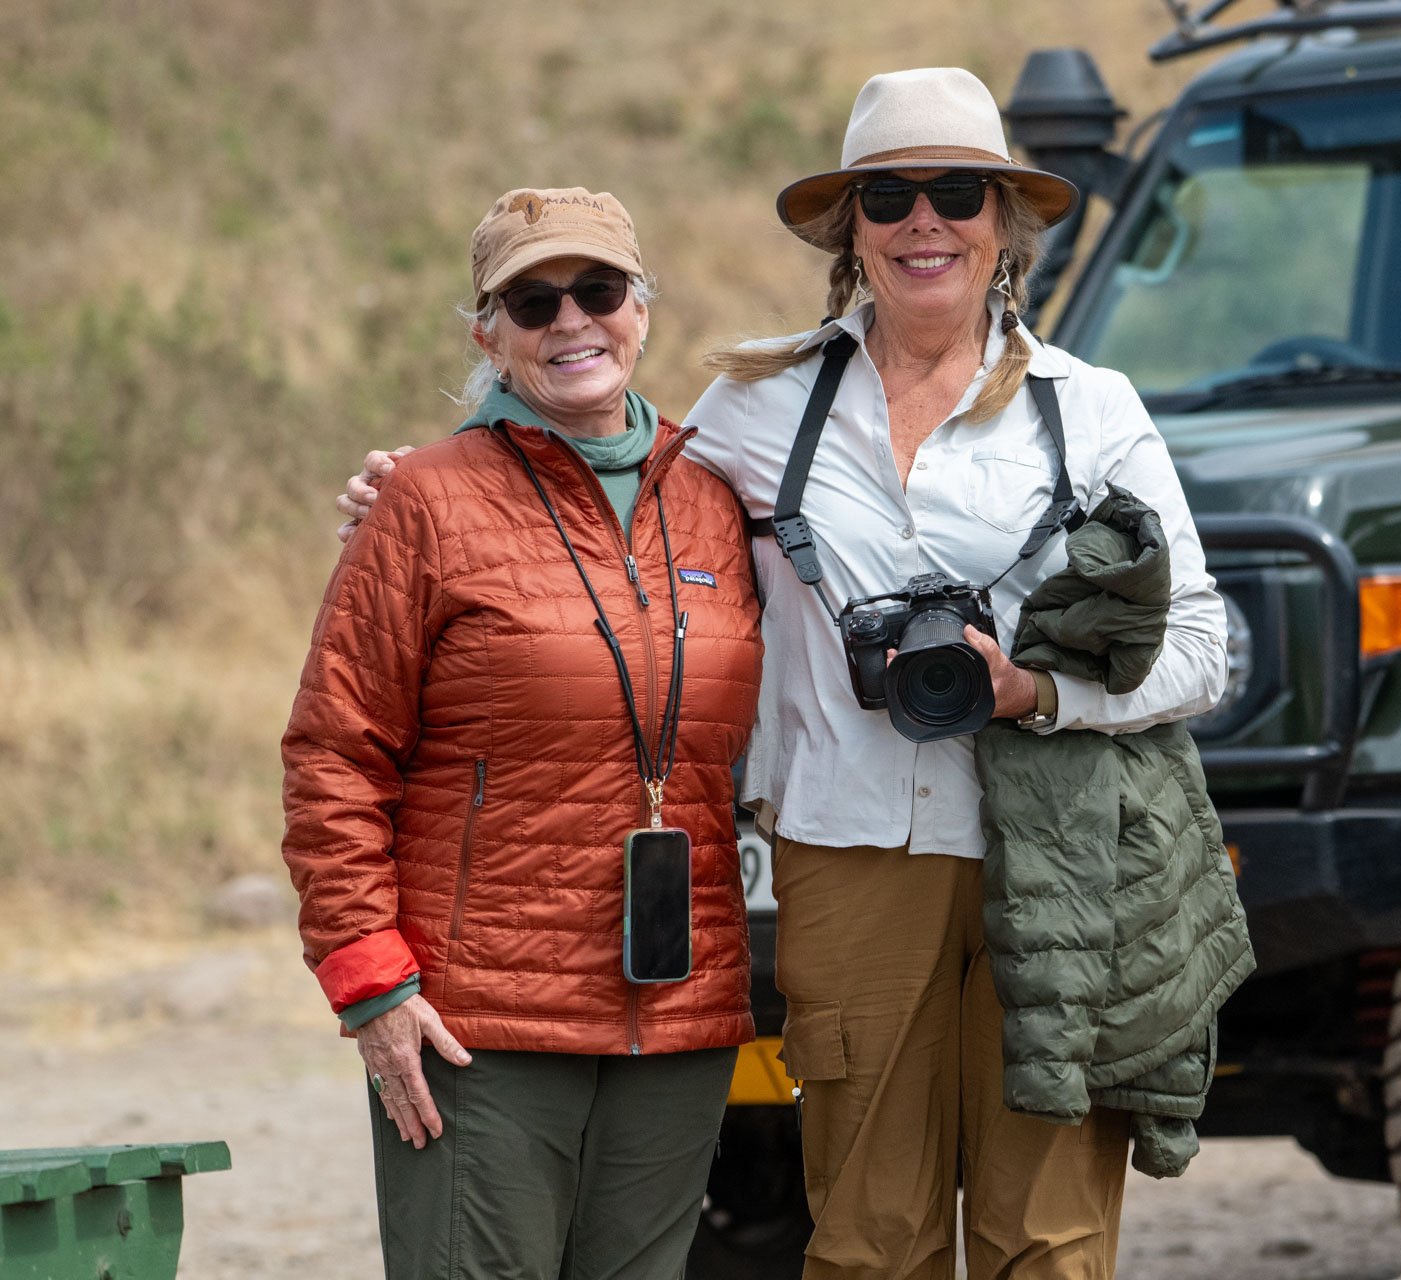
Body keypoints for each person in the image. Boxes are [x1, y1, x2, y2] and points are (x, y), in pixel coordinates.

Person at [338, 69, 1228, 1280]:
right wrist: (424, 491)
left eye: (957, 191)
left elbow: (1200, 647)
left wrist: (1036, 693)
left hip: (1067, 852)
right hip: (850, 852)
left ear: (1005, 221)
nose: (925, 220)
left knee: (1052, 1242)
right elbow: (600, 489)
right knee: (868, 1238)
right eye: (889, 196)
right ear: (848, 230)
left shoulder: (1093, 409)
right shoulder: (759, 404)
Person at [285, 187, 763, 1280]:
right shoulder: (422, 500)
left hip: (677, 1014)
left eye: (596, 290)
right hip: (480, 1023)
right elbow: (334, 751)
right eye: (532, 301)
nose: (570, 322)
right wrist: (373, 985)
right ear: (487, 335)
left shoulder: (719, 496)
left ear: (641, 307)